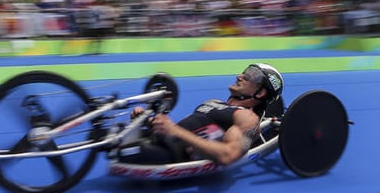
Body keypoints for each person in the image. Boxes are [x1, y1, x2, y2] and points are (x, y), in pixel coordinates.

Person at [116, 63, 284, 166]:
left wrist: (174, 131)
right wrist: (149, 122)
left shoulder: (247, 118)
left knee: (122, 144)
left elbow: (228, 155)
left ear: (261, 93)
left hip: (170, 152)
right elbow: (184, 130)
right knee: (119, 130)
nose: (240, 76)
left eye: (251, 76)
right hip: (166, 141)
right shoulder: (213, 102)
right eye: (245, 71)